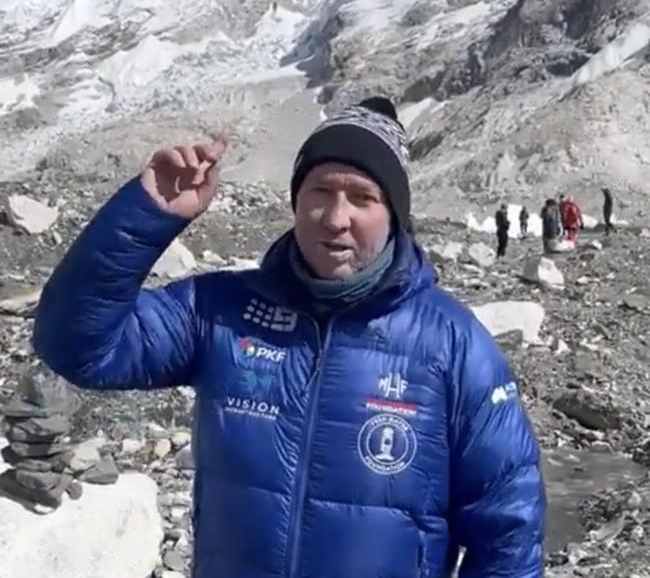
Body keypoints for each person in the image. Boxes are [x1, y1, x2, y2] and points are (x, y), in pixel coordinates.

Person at [33, 97, 546, 578]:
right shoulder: (221, 312)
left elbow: (508, 528)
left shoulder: (454, 344)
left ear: (394, 217)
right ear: (296, 201)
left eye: (362, 198)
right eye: (319, 192)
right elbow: (77, 345)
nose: (336, 218)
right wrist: (146, 214)